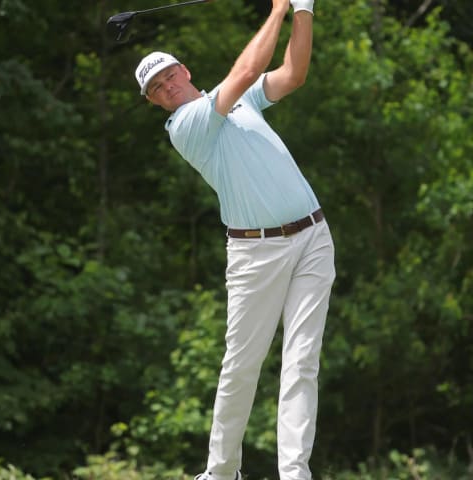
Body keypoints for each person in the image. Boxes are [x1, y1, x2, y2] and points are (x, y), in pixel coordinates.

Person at [134, 0, 333, 478]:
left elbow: (292, 74)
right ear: (156, 102)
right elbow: (247, 69)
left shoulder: (233, 97)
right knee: (241, 367)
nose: (167, 87)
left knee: (302, 362)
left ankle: (295, 473)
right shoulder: (186, 126)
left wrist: (303, 11)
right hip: (254, 252)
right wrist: (279, 7)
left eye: (168, 75)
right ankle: (221, 473)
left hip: (313, 236)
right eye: (157, 89)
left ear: (184, 70)